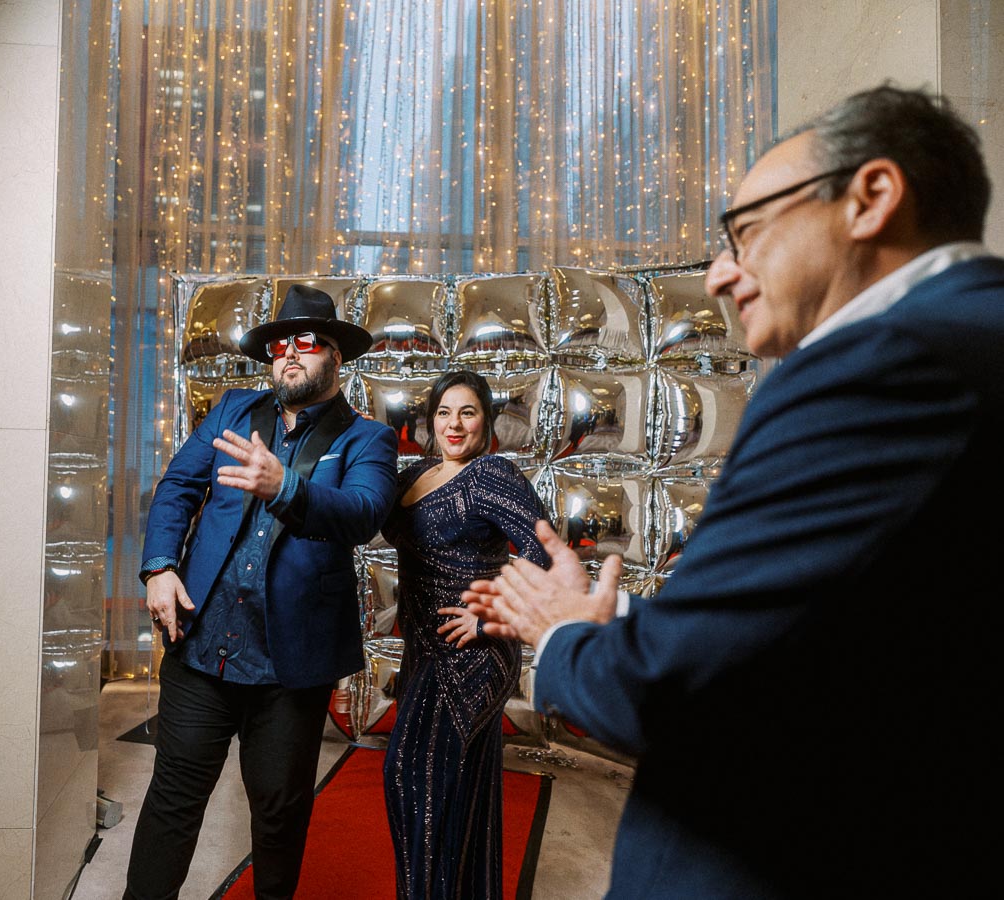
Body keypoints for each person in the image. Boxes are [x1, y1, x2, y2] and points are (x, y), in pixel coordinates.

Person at [465, 83, 1003, 897]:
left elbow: (675, 697)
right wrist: (640, 623)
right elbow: (846, 649)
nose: (721, 273)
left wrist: (561, 633)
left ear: (873, 197)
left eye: (745, 233)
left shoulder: (881, 365)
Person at [124, 285, 398, 900]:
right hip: (201, 651)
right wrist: (160, 567)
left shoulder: (366, 440)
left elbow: (365, 511)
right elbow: (177, 488)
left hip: (288, 671)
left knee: (278, 816)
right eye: (280, 345)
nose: (289, 355)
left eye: (306, 343)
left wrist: (286, 488)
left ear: (335, 356)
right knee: (172, 803)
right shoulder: (233, 411)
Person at [380, 369, 550, 899]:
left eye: (468, 412)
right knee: (458, 789)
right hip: (426, 652)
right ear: (431, 421)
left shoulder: (493, 475)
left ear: (488, 421)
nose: (455, 424)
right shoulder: (416, 474)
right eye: (444, 412)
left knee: (413, 776)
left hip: (475, 652)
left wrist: (493, 613)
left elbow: (547, 556)